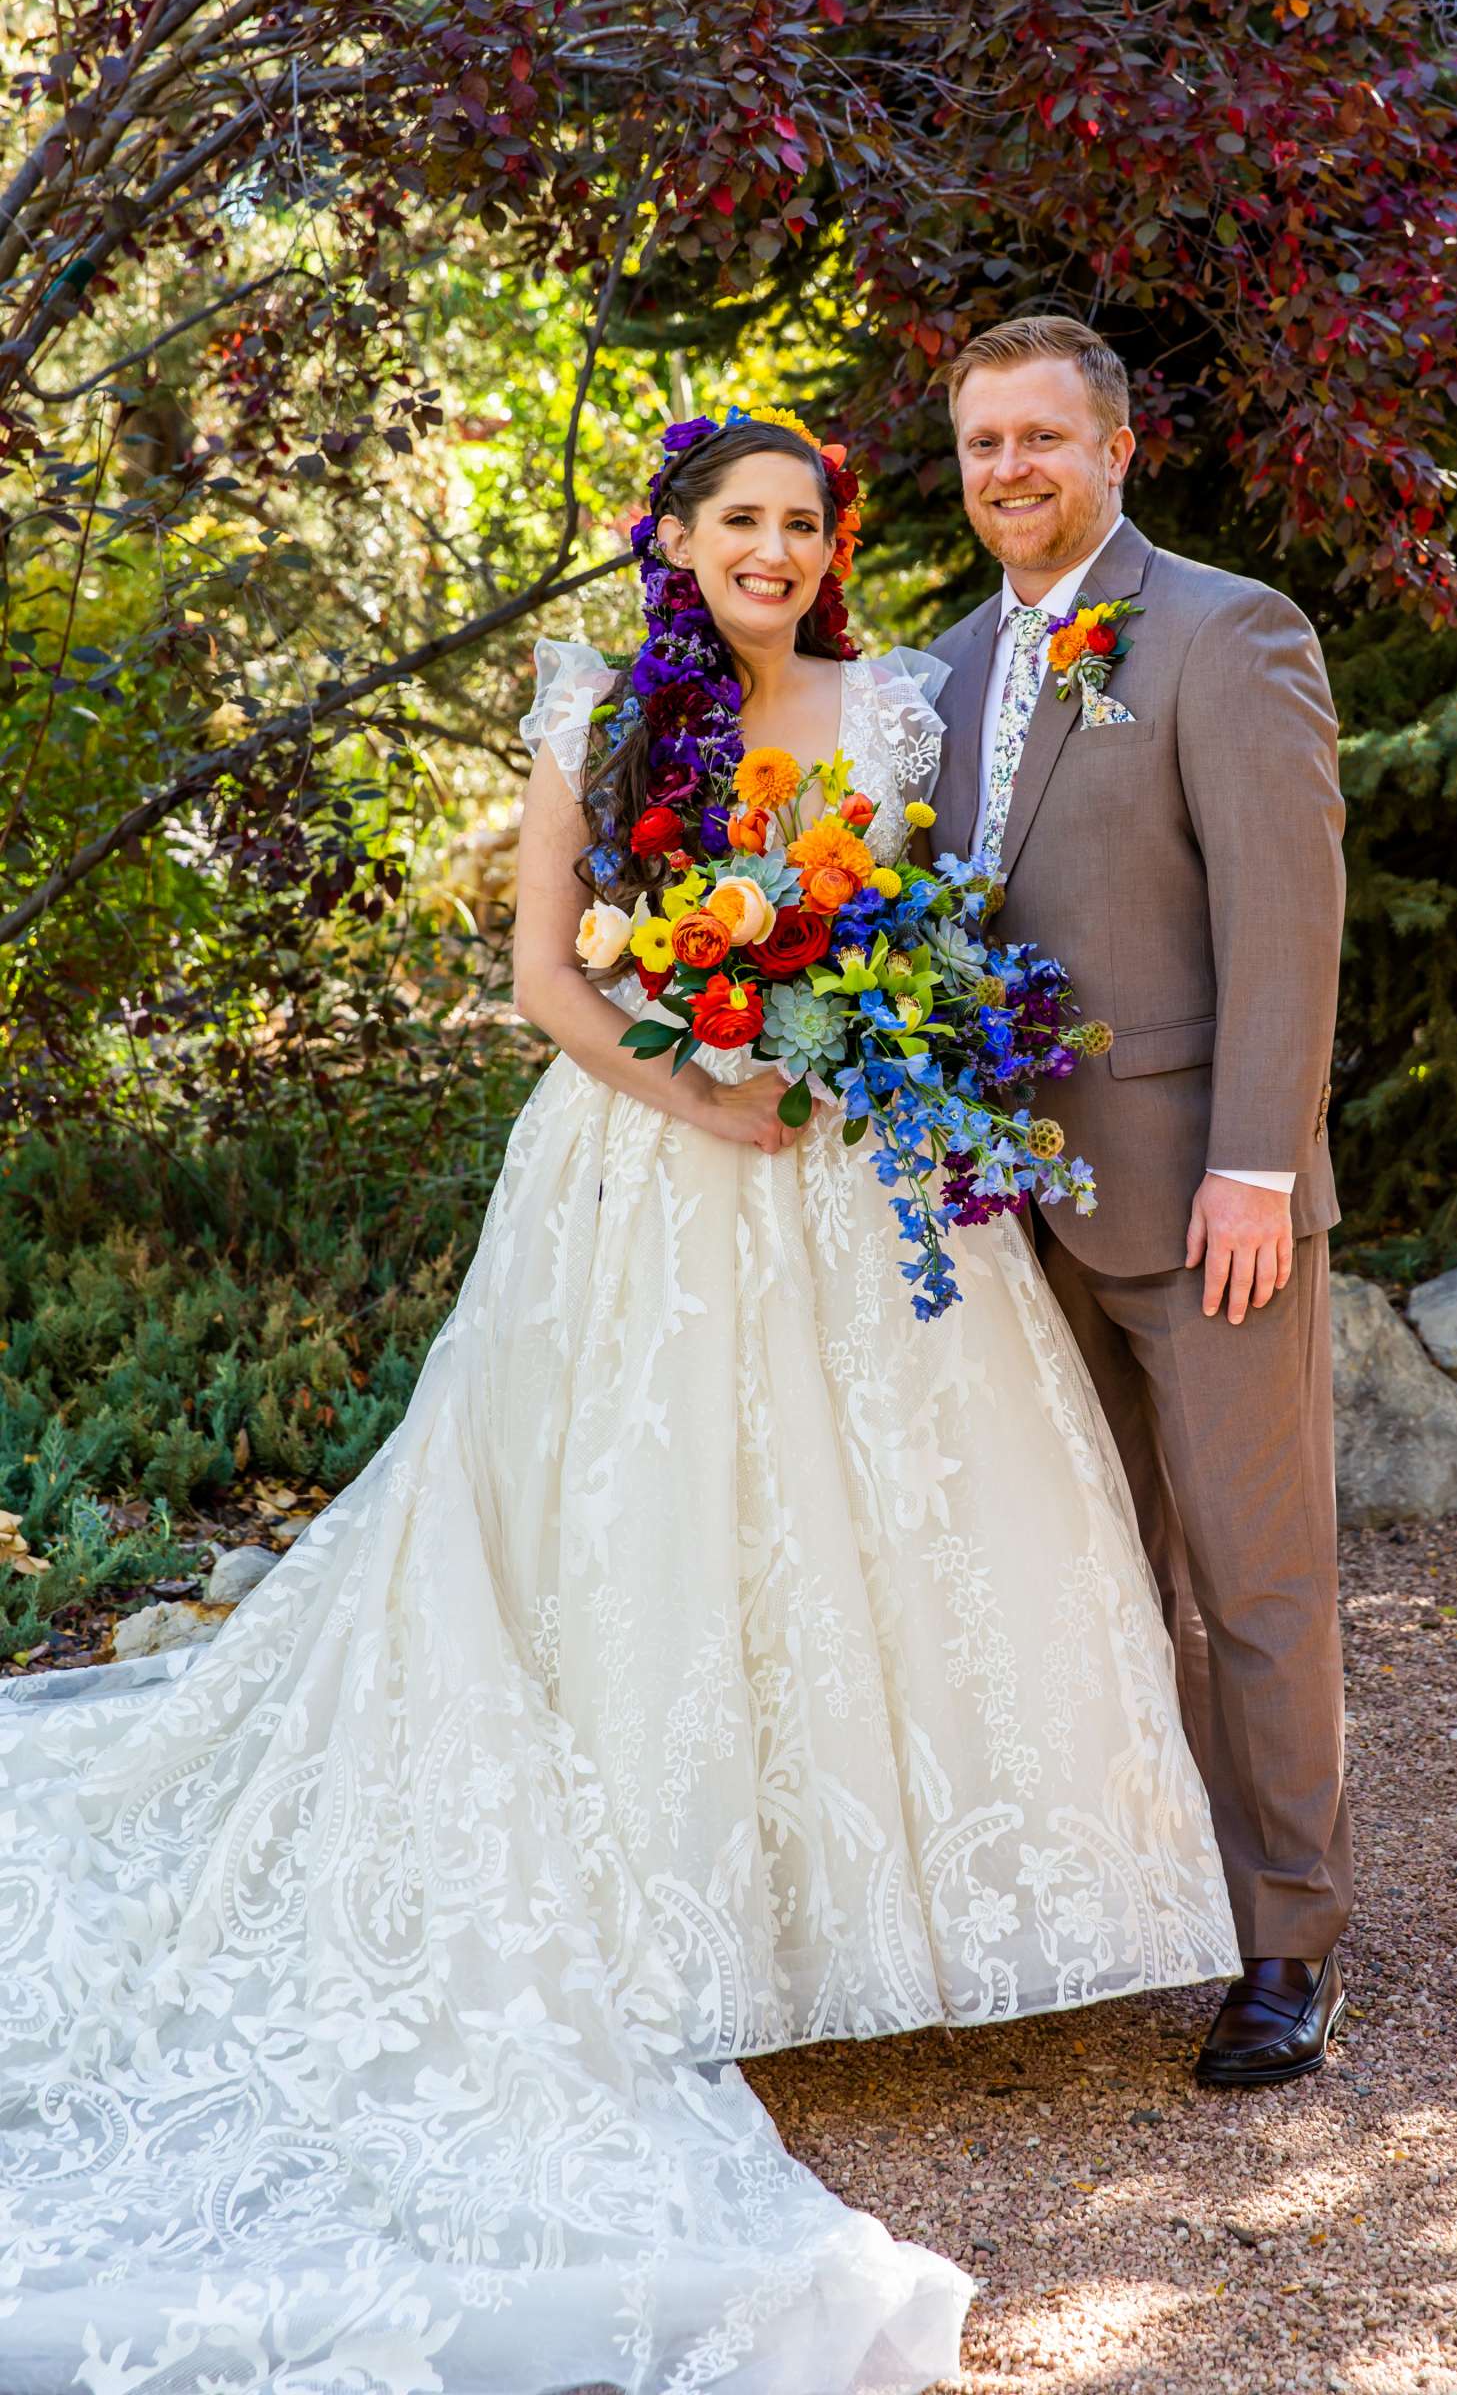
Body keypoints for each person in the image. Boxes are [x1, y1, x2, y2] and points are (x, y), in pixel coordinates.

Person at [0, 408, 1237, 2395]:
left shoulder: (891, 706)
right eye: (735, 520)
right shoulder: (597, 708)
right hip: (644, 1173)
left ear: (825, 543)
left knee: (894, 1529)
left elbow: (912, 929)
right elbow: (546, 980)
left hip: (857, 1164)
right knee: (638, 1526)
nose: (769, 548)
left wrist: (867, 1043)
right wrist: (699, 1089)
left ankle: (881, 1928)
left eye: (797, 521)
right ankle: (689, 1921)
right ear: (670, 538)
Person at [926, 315, 1353, 2088]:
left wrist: (1259, 1164)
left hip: (1203, 1201)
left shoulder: (1226, 630)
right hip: (1008, 1211)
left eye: (1041, 437)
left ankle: (1287, 1949)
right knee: (1091, 1581)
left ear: (1119, 449)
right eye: (980, 445)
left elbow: (1286, 911)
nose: (1009, 470)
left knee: (1260, 1583)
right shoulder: (939, 672)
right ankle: (1134, 1906)